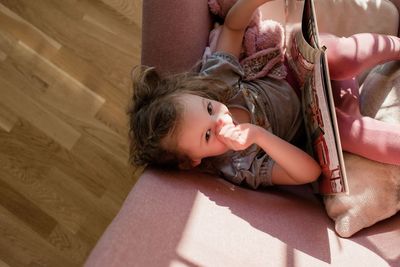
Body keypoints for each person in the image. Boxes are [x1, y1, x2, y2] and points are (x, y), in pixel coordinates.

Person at [129, 0, 400, 189]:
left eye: (210, 109)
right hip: (319, 122)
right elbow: (309, 172)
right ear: (192, 162)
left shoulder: (216, 83)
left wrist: (252, 2)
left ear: (202, 95)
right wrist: (259, 136)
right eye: (208, 135)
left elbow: (233, 28)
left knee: (339, 53)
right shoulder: (238, 164)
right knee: (351, 134)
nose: (221, 120)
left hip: (302, 66)